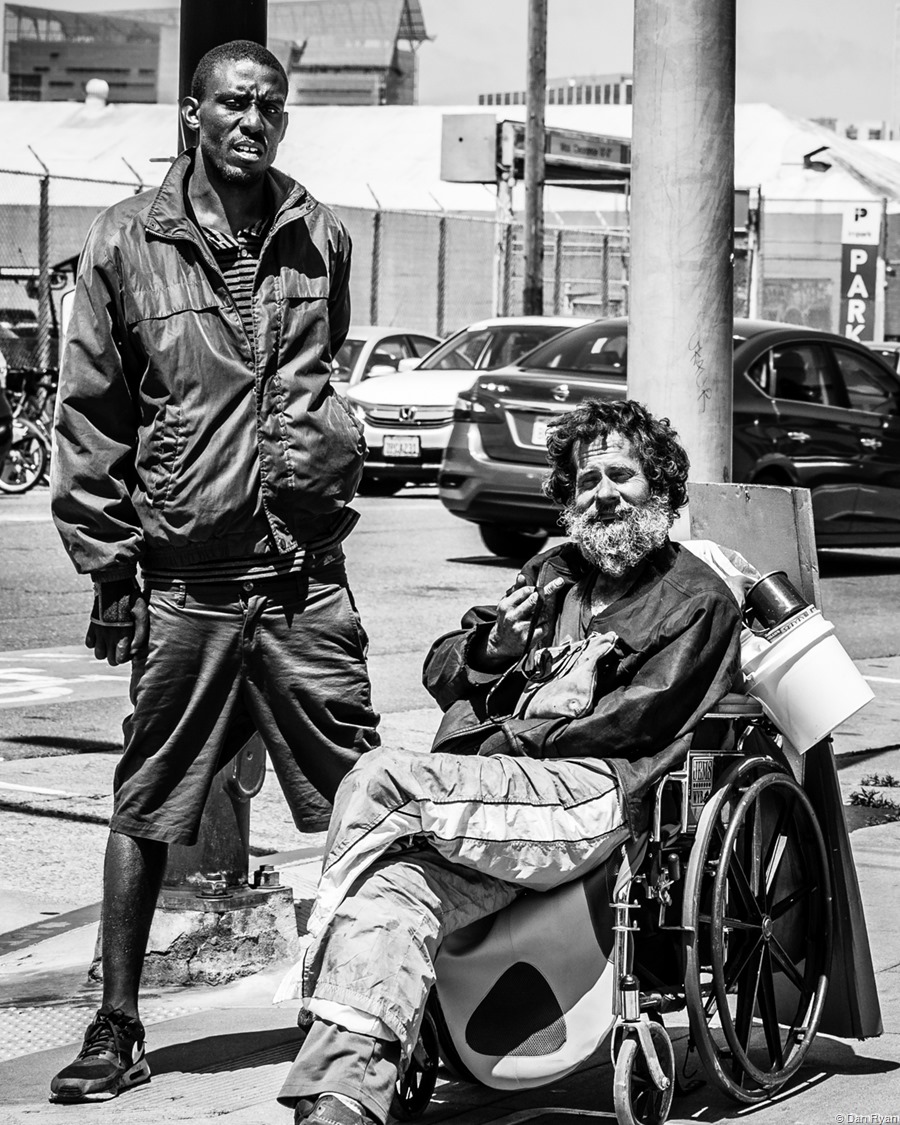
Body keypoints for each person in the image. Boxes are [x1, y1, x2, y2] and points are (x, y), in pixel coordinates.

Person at [49, 39, 379, 1101]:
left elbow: (317, 375)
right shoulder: (125, 240)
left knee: (367, 803)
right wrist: (111, 570)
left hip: (303, 579)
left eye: (271, 106)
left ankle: (365, 1014)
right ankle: (117, 1024)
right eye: (235, 103)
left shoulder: (320, 233)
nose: (254, 121)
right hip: (188, 581)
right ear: (192, 113)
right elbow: (91, 415)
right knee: (146, 803)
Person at [275, 398, 744, 1125]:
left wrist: (503, 739)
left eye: (622, 475)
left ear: (660, 487)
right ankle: (342, 1096)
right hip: (505, 801)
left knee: (378, 775)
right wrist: (494, 646)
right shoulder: (554, 572)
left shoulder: (696, 599)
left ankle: (308, 977)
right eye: (587, 481)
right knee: (392, 892)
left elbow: (631, 723)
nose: (604, 494)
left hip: (596, 795)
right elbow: (442, 669)